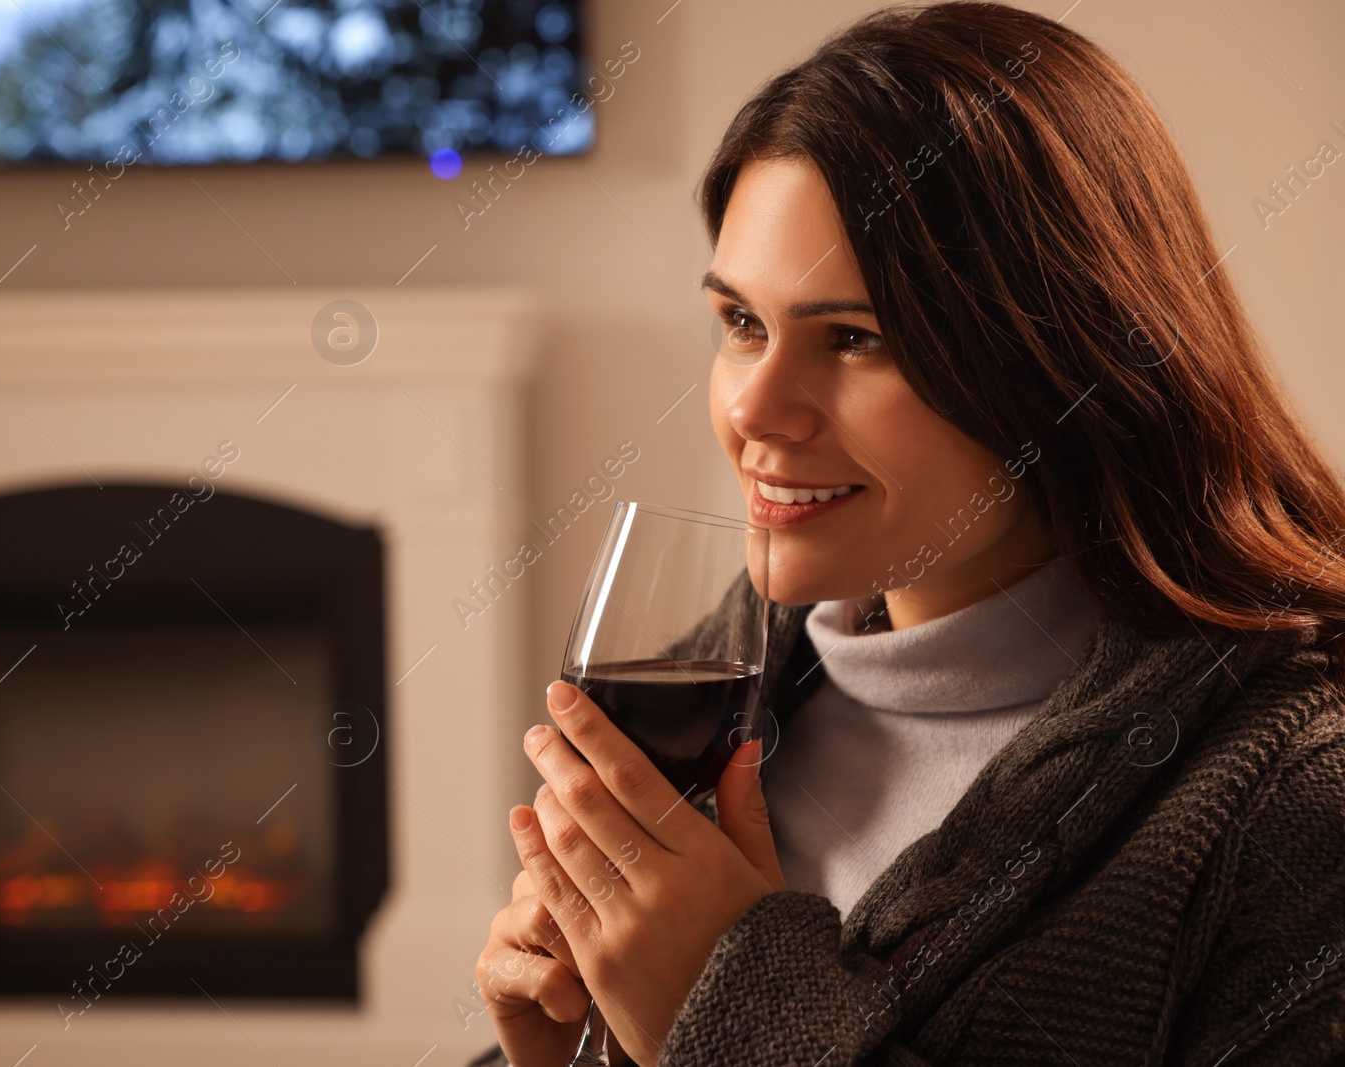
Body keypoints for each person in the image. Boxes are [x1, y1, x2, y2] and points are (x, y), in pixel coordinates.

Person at [469, 2, 1345, 1064]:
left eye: (854, 337)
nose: (754, 409)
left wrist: (725, 1014)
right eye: (742, 324)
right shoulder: (738, 657)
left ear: (1057, 363)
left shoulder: (1293, 793)